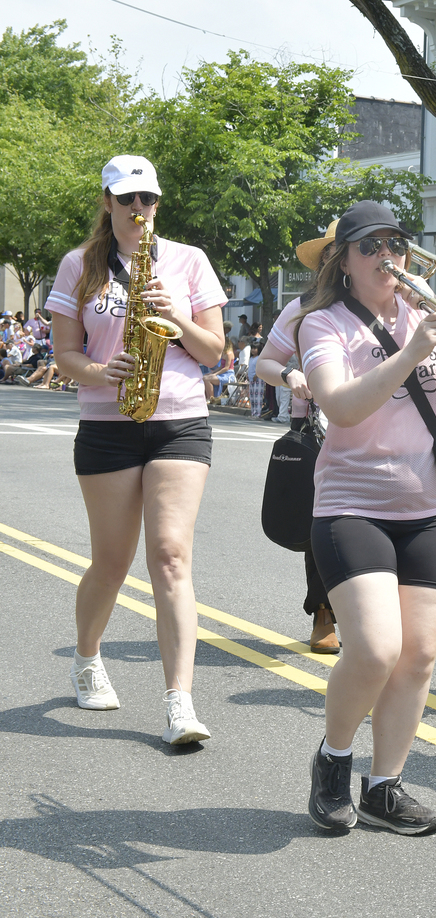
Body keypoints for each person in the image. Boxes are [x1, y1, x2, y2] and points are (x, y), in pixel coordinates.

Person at [300, 200, 436, 834]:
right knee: (375, 649)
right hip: (350, 503)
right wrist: (412, 348)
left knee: (418, 656)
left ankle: (384, 785)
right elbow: (339, 406)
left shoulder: (429, 314)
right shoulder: (324, 325)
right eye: (370, 247)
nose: (387, 256)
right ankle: (334, 760)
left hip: (429, 507)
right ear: (343, 262)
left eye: (396, 242)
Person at [47, 154, 228, 744]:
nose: (138, 209)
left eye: (147, 199)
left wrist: (175, 315)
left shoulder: (189, 261)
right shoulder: (79, 265)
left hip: (179, 419)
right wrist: (102, 372)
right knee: (112, 562)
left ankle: (180, 701)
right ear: (106, 202)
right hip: (108, 422)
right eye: (125, 199)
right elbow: (65, 356)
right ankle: (87, 657)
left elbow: (214, 352)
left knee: (171, 556)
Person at [258, 219, 343, 654]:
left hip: (378, 426)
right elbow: (264, 364)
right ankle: (323, 610)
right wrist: (290, 375)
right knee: (320, 524)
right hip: (315, 428)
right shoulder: (303, 307)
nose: (339, 258)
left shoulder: (387, 304)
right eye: (332, 251)